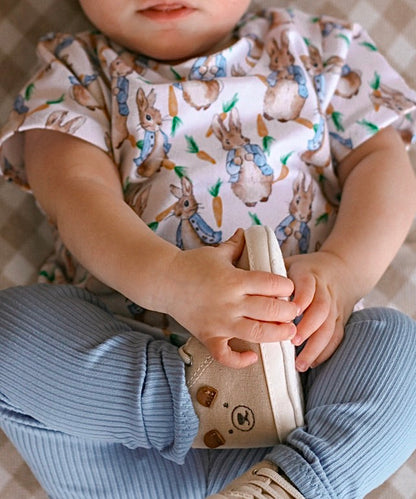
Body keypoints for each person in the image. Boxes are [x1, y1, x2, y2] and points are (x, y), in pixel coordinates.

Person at [0, 1, 416, 497]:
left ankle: (293, 487)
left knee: (396, 347)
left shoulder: (323, 49)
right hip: (124, 437)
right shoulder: (76, 72)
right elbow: (74, 194)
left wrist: (343, 273)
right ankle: (190, 405)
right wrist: (169, 278)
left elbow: (382, 166)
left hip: (303, 395)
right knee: (11, 334)